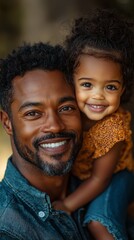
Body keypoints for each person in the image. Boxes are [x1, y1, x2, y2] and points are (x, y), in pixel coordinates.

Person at [52, 9, 134, 240]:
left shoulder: (112, 129)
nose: (98, 96)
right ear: (71, 81)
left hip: (116, 176)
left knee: (99, 223)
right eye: (87, 84)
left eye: (110, 87)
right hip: (85, 176)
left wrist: (67, 204)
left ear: (122, 89)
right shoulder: (70, 112)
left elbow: (101, 179)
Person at [0, 42, 91, 239]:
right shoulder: (6, 228)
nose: (55, 126)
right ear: (7, 122)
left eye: (66, 108)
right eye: (33, 113)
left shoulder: (102, 186)